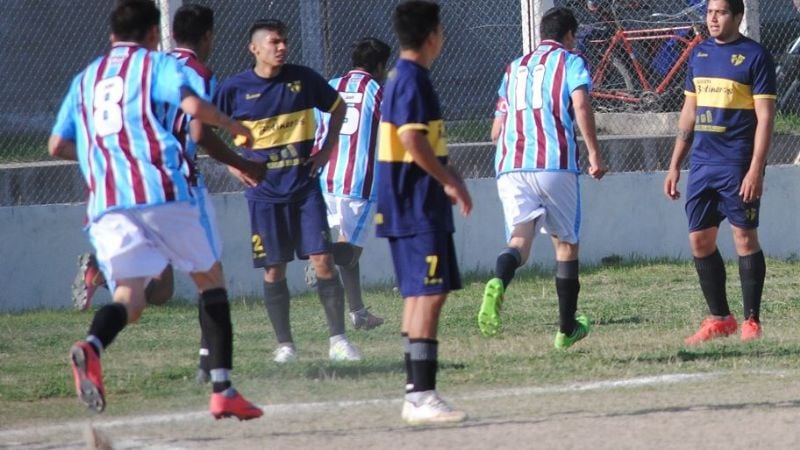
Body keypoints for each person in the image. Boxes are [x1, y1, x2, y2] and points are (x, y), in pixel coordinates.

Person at [49, 0, 262, 420]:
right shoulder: (156, 64)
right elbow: (193, 108)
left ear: (111, 34)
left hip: (107, 203)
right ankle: (222, 388)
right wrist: (235, 126)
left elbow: (56, 145)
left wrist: (103, 157)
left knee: (131, 299)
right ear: (152, 34)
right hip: (158, 191)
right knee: (210, 279)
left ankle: (91, 345)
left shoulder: (85, 78)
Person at [214, 19, 361, 363]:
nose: (282, 48)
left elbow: (339, 108)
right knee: (274, 268)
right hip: (264, 196)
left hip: (304, 189)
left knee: (323, 261)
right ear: (254, 48)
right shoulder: (235, 89)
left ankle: (338, 341)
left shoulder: (303, 79)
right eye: (274, 42)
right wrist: (233, 164)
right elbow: (203, 128)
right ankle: (285, 346)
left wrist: (326, 149)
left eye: (284, 42)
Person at [477, 6, 608, 349]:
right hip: (554, 163)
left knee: (519, 243)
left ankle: (498, 280)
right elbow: (581, 105)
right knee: (565, 244)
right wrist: (594, 153)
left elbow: (495, 131)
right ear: (570, 35)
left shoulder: (514, 68)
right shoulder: (571, 61)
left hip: (511, 166)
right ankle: (566, 328)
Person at [377, 0, 472, 425]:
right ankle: (421, 395)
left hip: (403, 203)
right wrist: (447, 180)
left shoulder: (399, 75)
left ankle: (414, 394)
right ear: (432, 35)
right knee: (431, 293)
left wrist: (452, 173)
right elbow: (412, 140)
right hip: (416, 203)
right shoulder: (413, 79)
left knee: (419, 293)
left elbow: (421, 141)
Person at [663, 0, 776, 345]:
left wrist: (755, 169)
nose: (712, 18)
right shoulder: (699, 54)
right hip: (702, 164)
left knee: (744, 238)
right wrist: (675, 164)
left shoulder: (755, 56)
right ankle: (720, 318)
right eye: (709, 11)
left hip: (736, 164)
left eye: (721, 12)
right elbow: (689, 111)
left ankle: (751, 320)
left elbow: (765, 118)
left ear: (738, 17)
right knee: (699, 241)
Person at [305, 37, 391, 331]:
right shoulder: (377, 91)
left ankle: (359, 313)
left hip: (323, 176)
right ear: (379, 66)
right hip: (357, 181)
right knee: (349, 251)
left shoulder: (330, 85)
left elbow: (315, 125)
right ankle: (321, 256)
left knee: (347, 249)